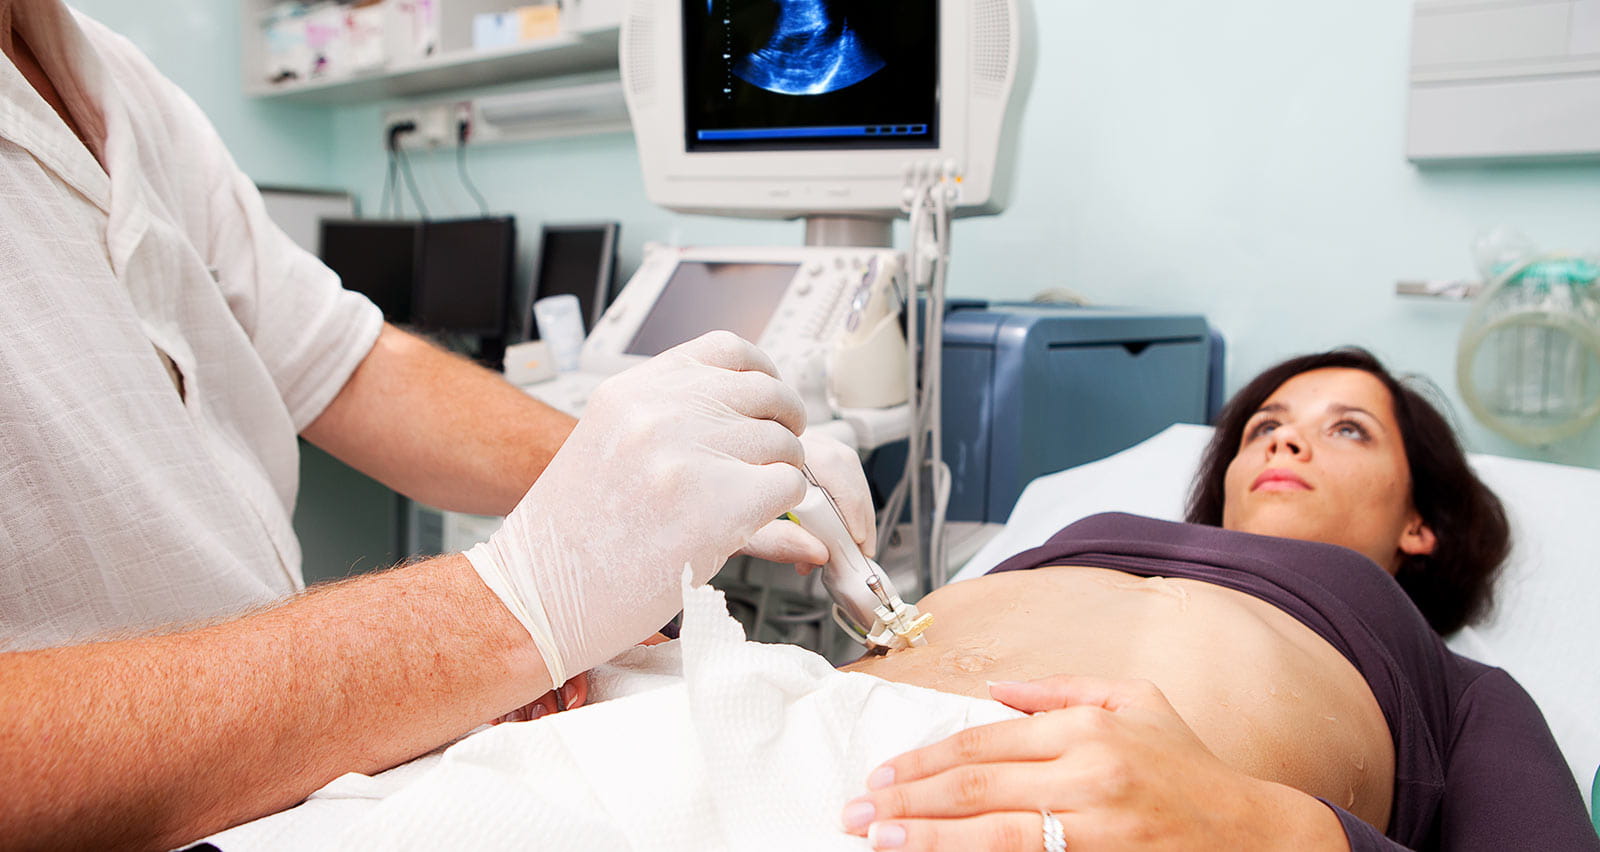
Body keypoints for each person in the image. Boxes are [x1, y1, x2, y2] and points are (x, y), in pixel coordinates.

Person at [0, 2, 874, 849]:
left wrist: (648, 476)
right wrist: (504, 609)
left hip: (295, 786)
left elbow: (344, 361)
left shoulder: (113, 78)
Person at [835, 348, 1599, 851]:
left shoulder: (1457, 685)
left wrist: (1269, 828)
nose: (1282, 442)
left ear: (1419, 524)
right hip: (817, 749)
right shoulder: (1085, 531)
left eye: (1349, 430)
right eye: (1265, 425)